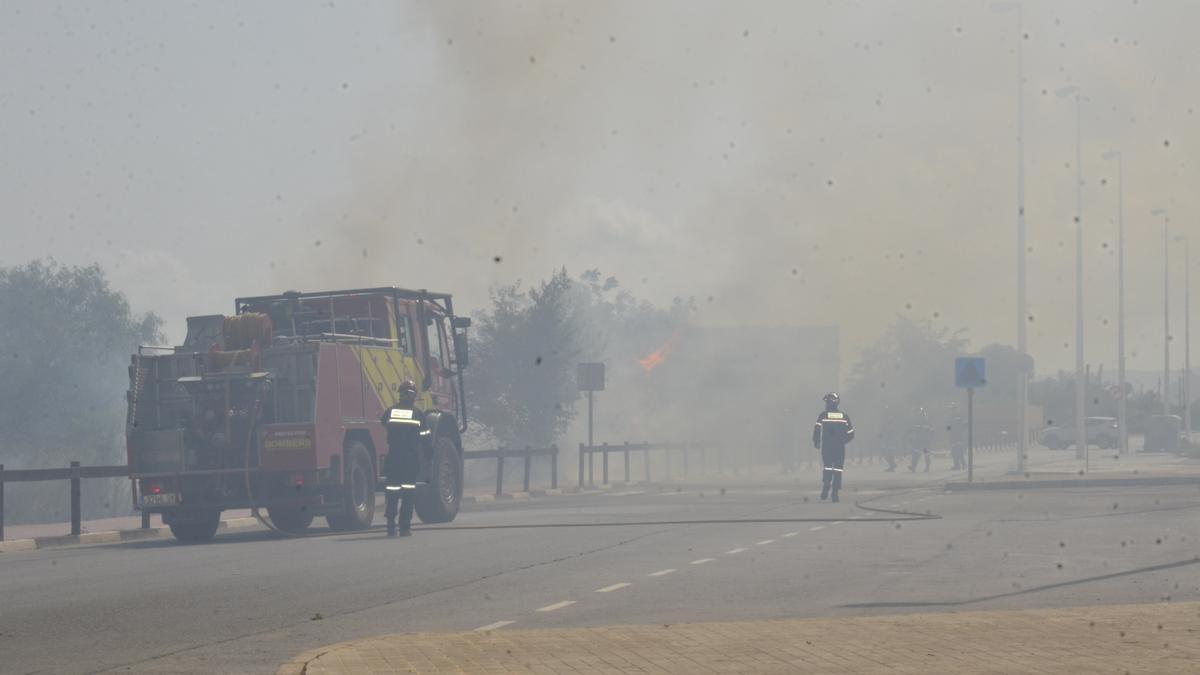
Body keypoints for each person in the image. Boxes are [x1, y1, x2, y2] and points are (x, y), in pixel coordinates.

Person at [380, 380, 427, 537]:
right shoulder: (418, 414)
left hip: (393, 459)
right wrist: (428, 455)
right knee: (408, 494)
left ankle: (390, 526)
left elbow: (383, 423)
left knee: (392, 493)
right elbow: (425, 437)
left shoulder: (390, 412)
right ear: (412, 395)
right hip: (410, 461)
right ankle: (405, 528)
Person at [813, 392, 854, 502]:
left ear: (829, 404)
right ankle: (835, 493)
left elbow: (817, 429)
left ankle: (826, 484)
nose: (825, 405)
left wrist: (816, 442)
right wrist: (843, 441)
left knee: (827, 467)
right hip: (839, 447)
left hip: (827, 447)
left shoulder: (823, 415)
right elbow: (851, 433)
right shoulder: (844, 416)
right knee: (838, 469)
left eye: (826, 403)